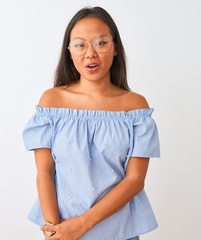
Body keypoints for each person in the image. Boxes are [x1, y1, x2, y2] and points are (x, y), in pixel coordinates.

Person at [22, 6, 160, 240]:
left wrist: (82, 225)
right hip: (63, 231)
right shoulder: (52, 101)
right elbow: (44, 171)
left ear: (115, 48)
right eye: (80, 44)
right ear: (69, 52)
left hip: (120, 233)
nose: (90, 54)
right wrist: (54, 230)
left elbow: (135, 180)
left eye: (101, 42)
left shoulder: (135, 107)